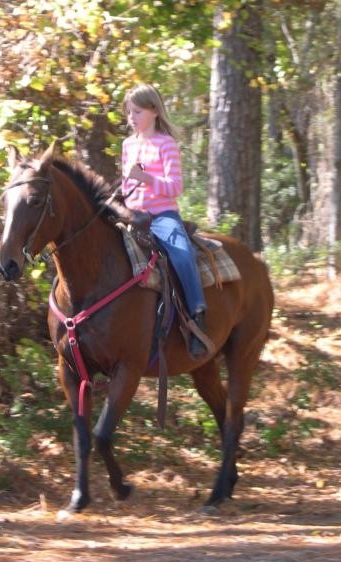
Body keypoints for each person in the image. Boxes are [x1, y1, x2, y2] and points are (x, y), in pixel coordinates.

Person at [117, 83, 208, 357]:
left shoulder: (165, 144)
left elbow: (175, 187)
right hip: (132, 216)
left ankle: (197, 313)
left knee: (181, 254)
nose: (132, 118)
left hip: (160, 216)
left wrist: (144, 178)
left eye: (137, 112)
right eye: (129, 112)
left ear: (154, 111)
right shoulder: (128, 145)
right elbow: (125, 187)